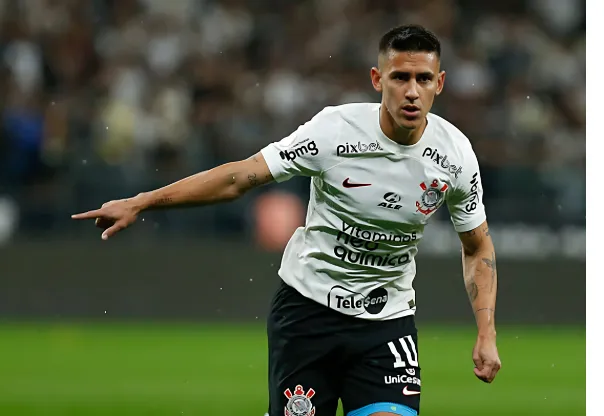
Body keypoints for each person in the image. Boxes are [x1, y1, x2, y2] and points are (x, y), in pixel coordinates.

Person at [72, 24, 501, 416]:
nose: (412, 91)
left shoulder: (455, 156)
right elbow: (240, 177)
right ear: (377, 80)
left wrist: (486, 331)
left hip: (386, 322)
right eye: (400, 77)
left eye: (423, 79)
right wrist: (143, 201)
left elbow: (477, 246)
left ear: (439, 84)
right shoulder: (335, 132)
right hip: (308, 311)